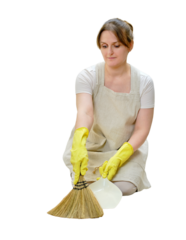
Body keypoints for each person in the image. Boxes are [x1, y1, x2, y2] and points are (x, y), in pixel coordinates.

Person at [62, 15, 155, 199]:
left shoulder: (145, 81)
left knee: (125, 188)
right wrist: (79, 142)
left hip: (127, 149)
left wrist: (121, 156)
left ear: (130, 46)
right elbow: (85, 112)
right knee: (87, 185)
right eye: (104, 46)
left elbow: (143, 128)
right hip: (93, 147)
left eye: (116, 45)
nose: (109, 52)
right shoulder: (87, 75)